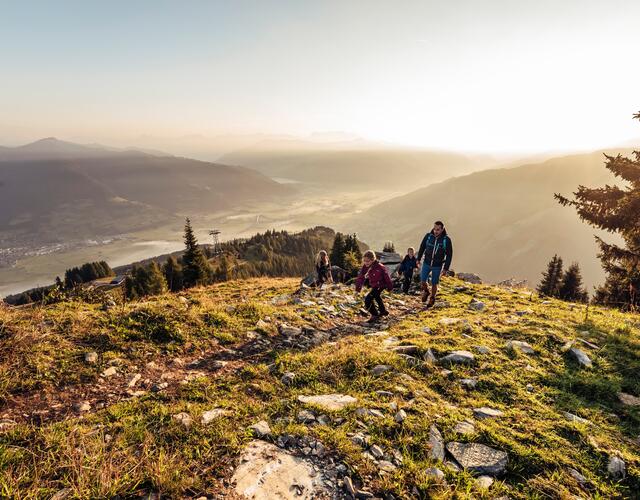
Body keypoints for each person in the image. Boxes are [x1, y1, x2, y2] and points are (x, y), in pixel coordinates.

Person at [417, 221, 453, 308]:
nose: (435, 231)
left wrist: (445, 268)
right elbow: (422, 247)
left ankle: (432, 298)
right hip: (426, 263)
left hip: (437, 265)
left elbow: (449, 255)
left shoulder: (446, 240)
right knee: (422, 281)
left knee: (434, 283)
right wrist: (418, 259)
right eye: (434, 229)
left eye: (438, 229)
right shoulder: (428, 236)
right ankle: (426, 291)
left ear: (442, 229)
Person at [355, 250, 394, 322]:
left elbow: (387, 277)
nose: (366, 263)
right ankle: (383, 311)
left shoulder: (380, 267)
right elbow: (361, 277)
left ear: (373, 260)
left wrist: (390, 288)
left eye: (368, 261)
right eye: (364, 261)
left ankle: (374, 315)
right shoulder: (365, 267)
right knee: (377, 297)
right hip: (374, 285)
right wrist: (357, 289)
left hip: (381, 285)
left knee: (368, 300)